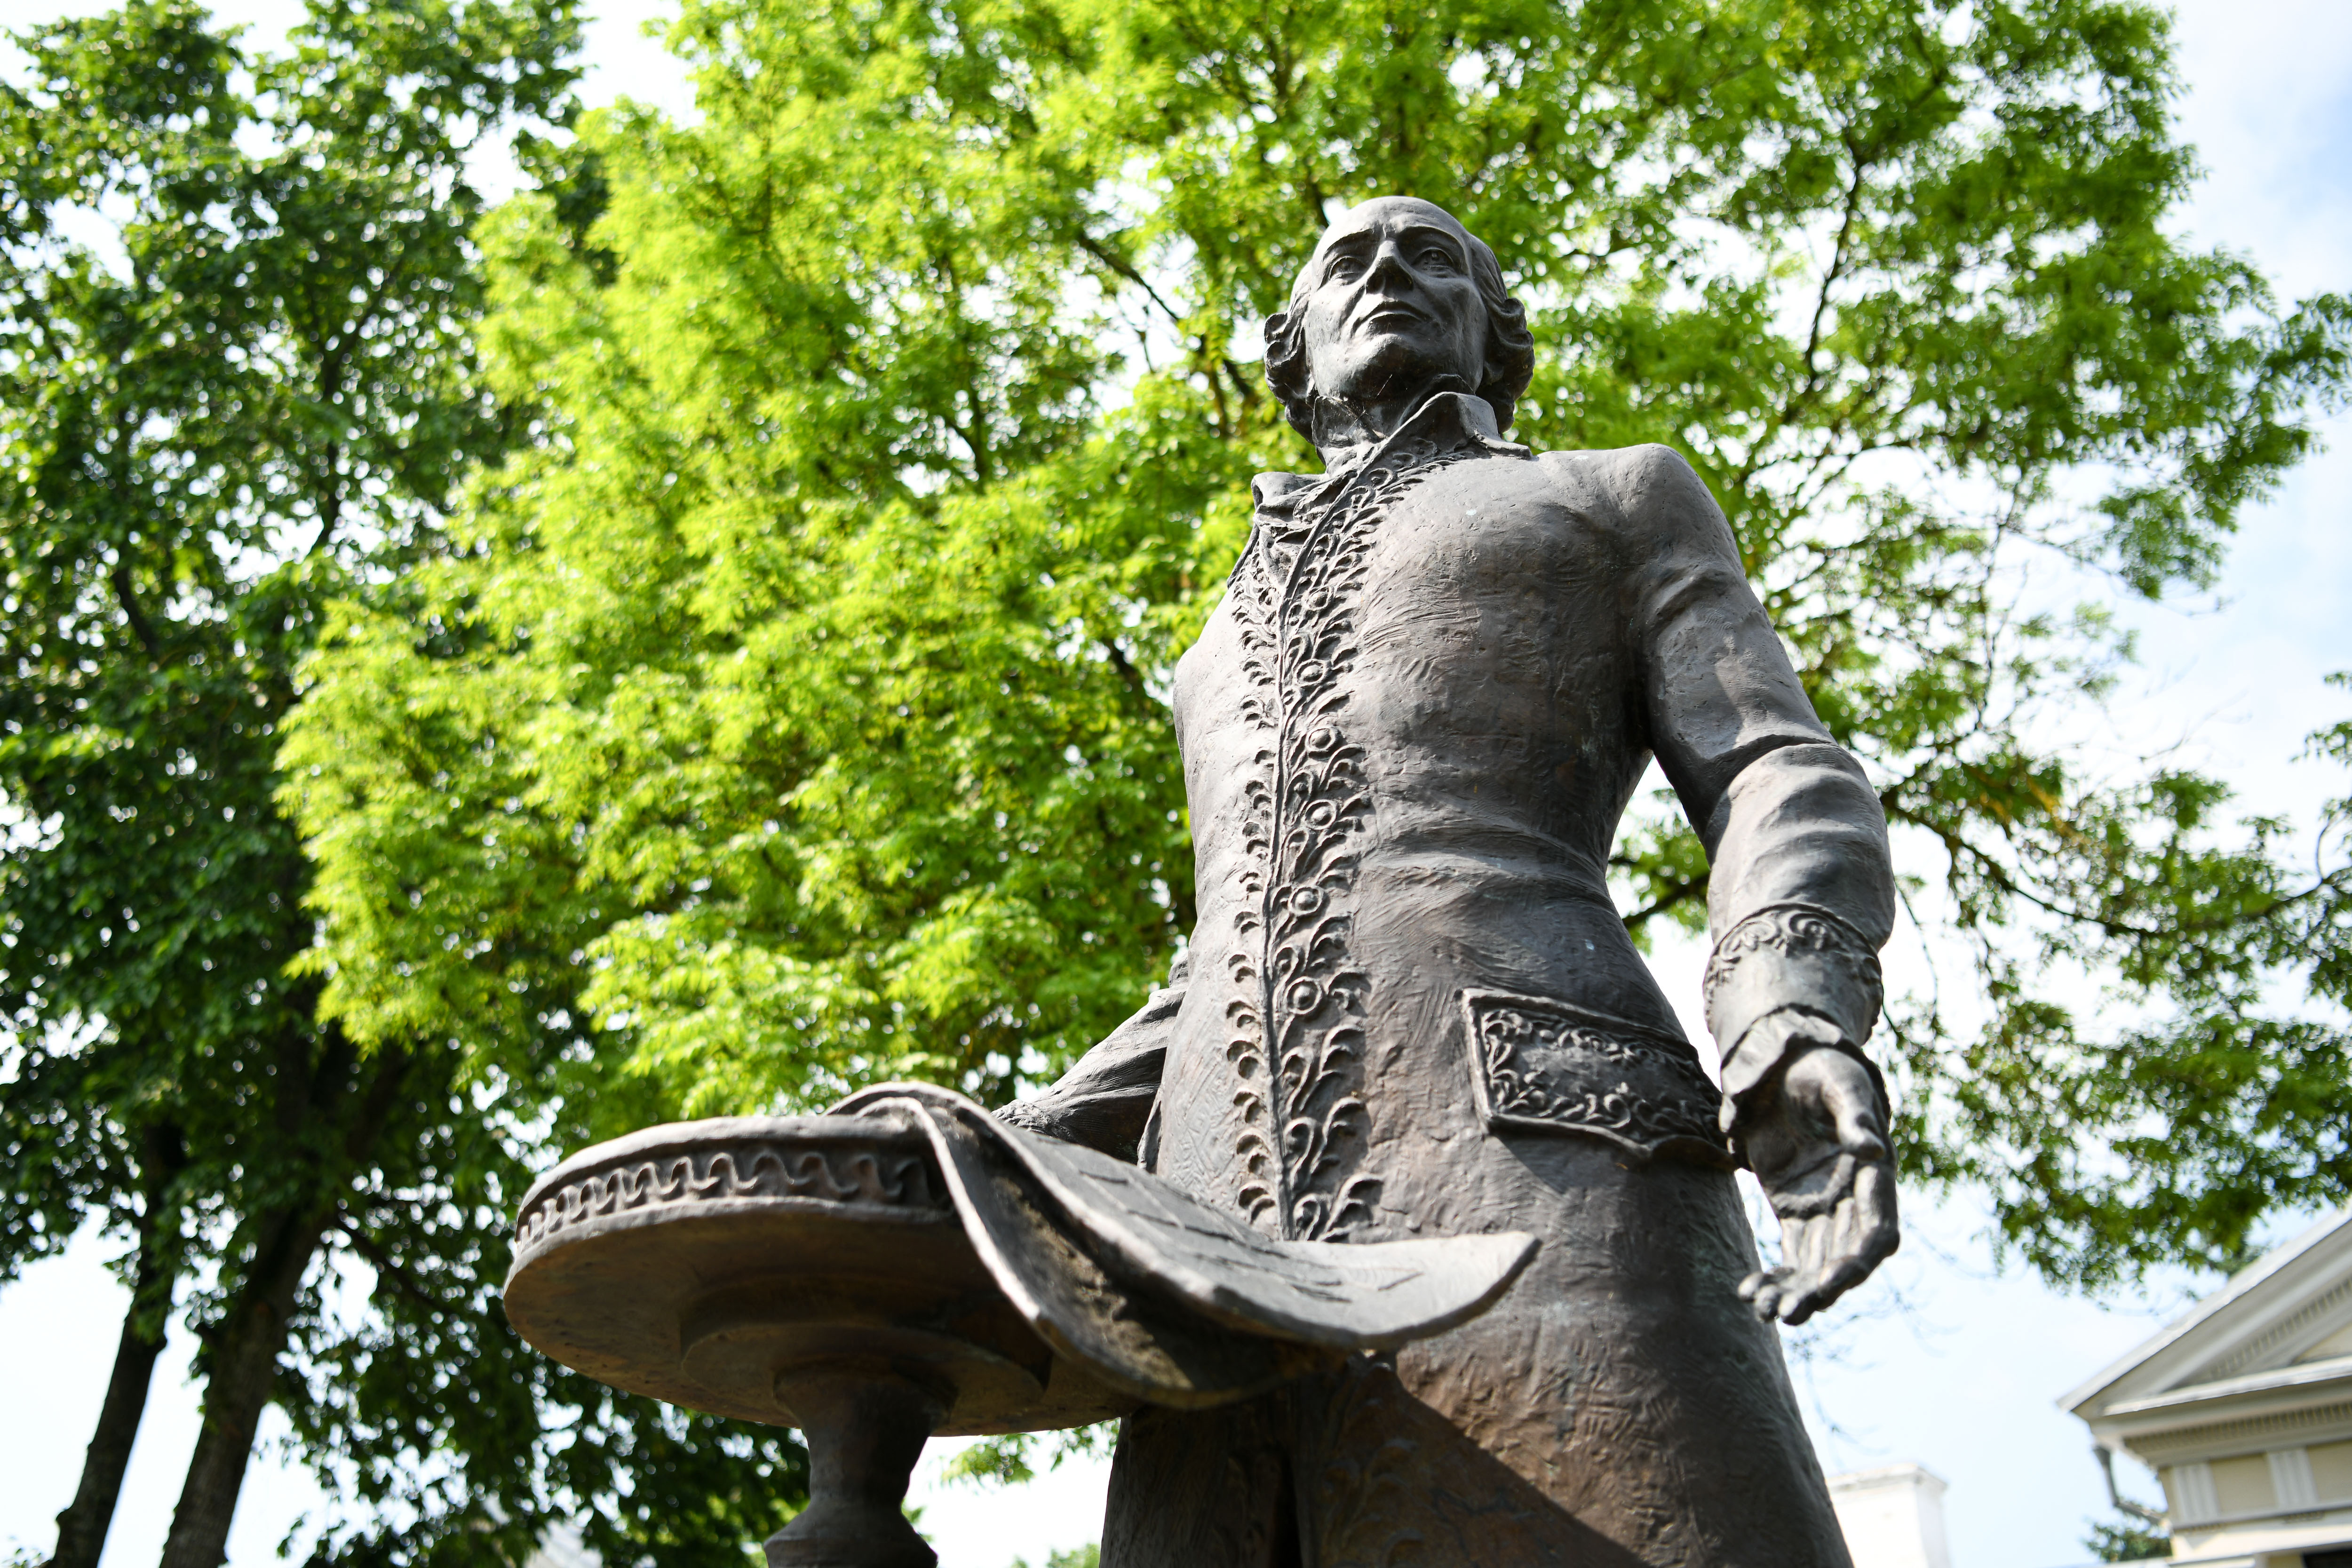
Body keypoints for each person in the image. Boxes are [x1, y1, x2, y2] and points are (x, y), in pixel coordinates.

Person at [1001, 196, 1899, 1566]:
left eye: (1434, 258)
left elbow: (1774, 765)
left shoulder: (1613, 496)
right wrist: (1011, 1140)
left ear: (1493, 335)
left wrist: (1787, 1011)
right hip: (1217, 1266)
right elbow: (1220, 963)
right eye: (1346, 260)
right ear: (1293, 347)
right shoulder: (1213, 643)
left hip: (1548, 1178)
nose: (1387, 270)